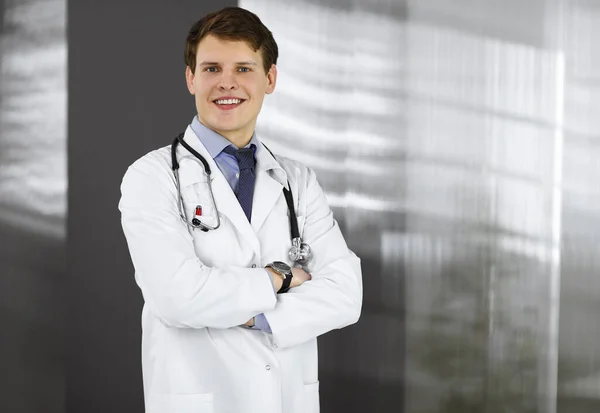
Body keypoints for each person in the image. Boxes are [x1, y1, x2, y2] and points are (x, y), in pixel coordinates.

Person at [118, 6, 362, 413]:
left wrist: (252, 316)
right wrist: (277, 280)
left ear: (269, 79)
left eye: (244, 69)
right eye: (211, 68)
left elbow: (345, 294)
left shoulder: (297, 181)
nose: (226, 83)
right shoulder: (152, 176)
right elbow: (177, 297)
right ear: (190, 78)